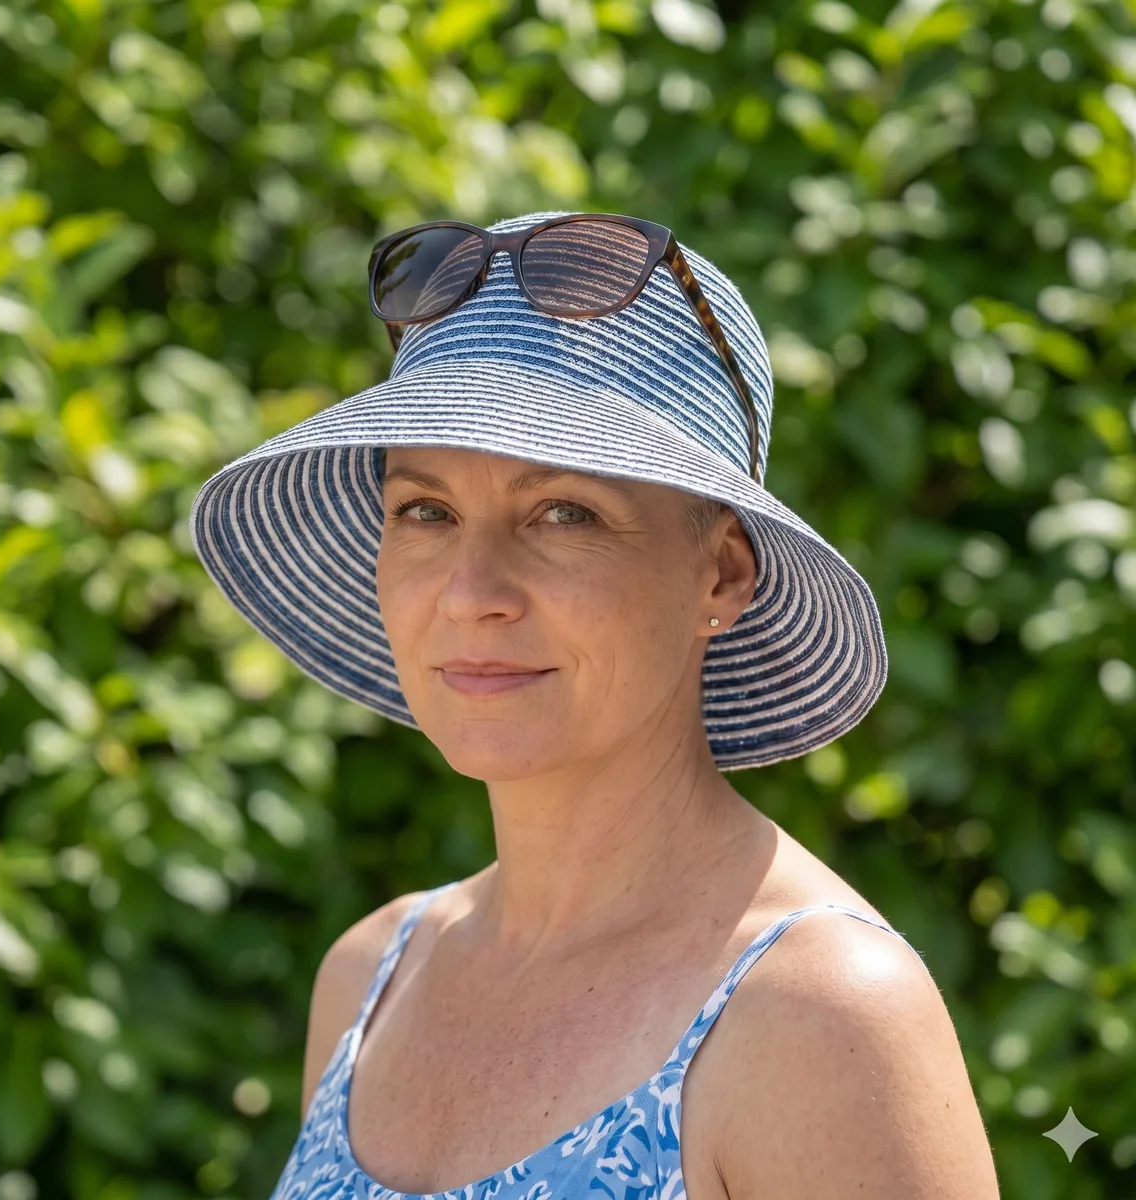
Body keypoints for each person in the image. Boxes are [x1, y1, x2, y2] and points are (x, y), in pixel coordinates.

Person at [189, 211, 1001, 1199]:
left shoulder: (817, 1016)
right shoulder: (369, 980)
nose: (471, 592)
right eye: (426, 511)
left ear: (720, 573)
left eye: (563, 513)